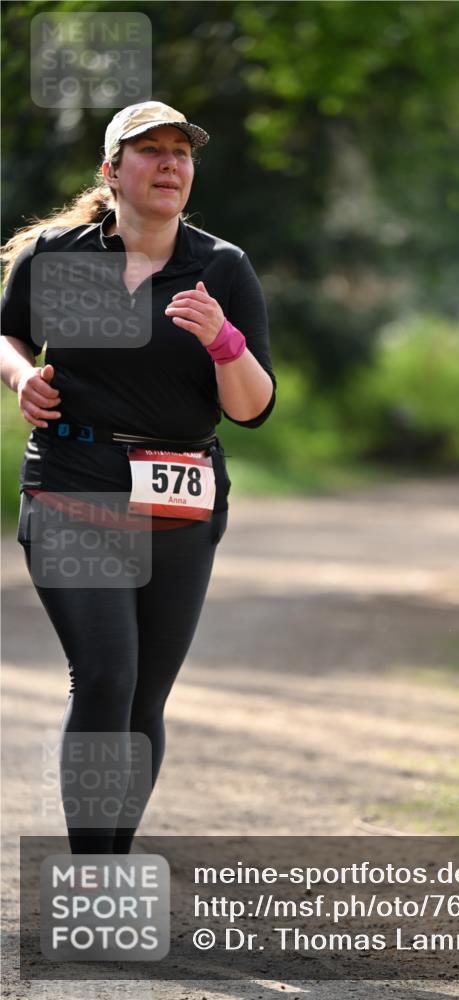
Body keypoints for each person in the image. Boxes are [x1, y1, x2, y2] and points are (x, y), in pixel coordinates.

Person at [0, 101, 277, 854]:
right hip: (73, 479)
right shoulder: (61, 257)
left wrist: (223, 342)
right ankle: (92, 872)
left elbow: (252, 410)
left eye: (180, 153)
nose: (169, 164)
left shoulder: (218, 267)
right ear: (111, 171)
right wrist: (21, 376)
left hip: (177, 488)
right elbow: (9, 330)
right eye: (148, 151)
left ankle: (110, 858)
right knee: (104, 677)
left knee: (144, 695)